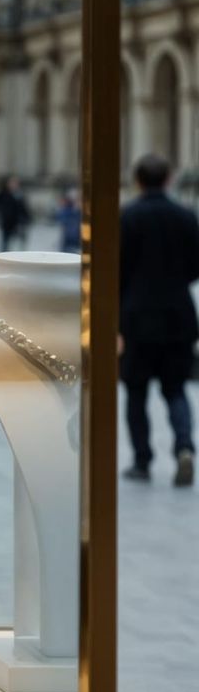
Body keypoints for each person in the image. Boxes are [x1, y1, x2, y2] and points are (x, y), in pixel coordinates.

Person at [120, 152, 199, 484]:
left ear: (137, 180)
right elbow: (197, 266)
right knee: (176, 389)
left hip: (136, 319)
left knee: (136, 392)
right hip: (178, 317)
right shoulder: (186, 216)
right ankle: (183, 447)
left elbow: (116, 271)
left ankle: (142, 460)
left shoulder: (128, 217)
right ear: (168, 179)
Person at [0, 174, 31, 251]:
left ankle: (17, 257)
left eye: (16, 183)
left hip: (17, 222)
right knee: (5, 241)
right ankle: (3, 256)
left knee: (20, 240)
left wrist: (27, 218)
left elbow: (24, 207)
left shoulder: (19, 194)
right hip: (6, 221)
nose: (14, 185)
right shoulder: (2, 193)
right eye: (12, 183)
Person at [55, 187, 82, 253]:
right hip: (68, 239)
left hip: (75, 239)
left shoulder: (76, 210)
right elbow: (61, 218)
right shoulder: (67, 210)